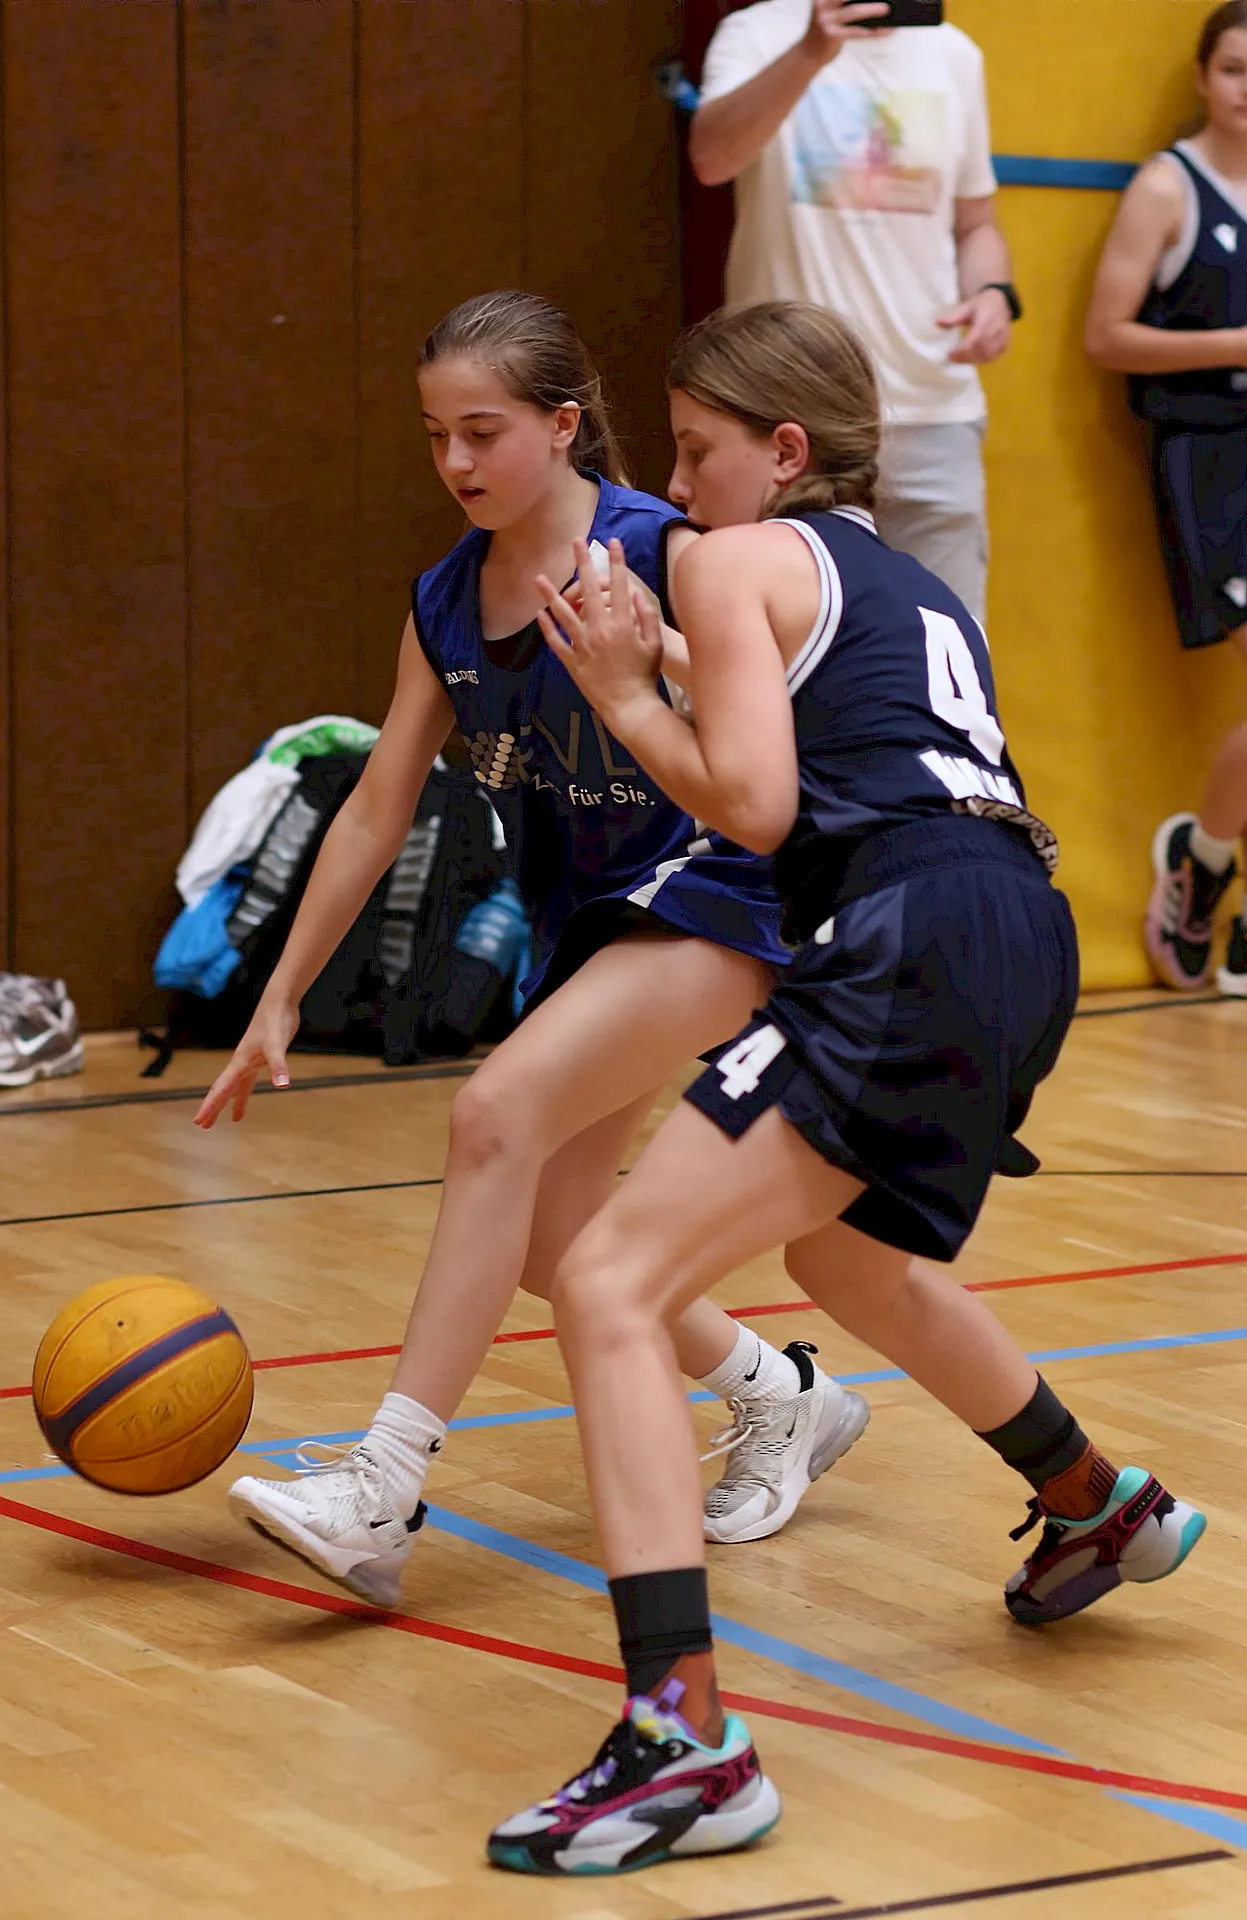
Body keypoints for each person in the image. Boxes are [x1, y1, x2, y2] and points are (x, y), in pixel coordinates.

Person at [486, 301, 1206, 1877]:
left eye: (698, 451)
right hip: (1019, 931)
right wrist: (659, 661)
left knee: (606, 1279)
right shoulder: (906, 583)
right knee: (845, 1256)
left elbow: (754, 803)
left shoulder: (735, 557)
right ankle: (1094, 1499)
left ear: (785, 451)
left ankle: (682, 1740)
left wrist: (626, 696)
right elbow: (822, 732)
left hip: (907, 929)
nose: (677, 488)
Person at [198, 291, 869, 1606]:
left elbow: (790, 709)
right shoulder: (445, 603)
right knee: (555, 1233)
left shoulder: (668, 549)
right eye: (434, 434)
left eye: (483, 431)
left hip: (728, 891)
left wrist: (664, 658)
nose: (454, 460)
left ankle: (383, 1489)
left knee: (492, 1116)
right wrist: (278, 994)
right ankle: (780, 1393)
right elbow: (379, 804)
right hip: (596, 925)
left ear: (564, 426)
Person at [689, 0, 1021, 623]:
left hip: (931, 401)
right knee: (778, 633)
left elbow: (976, 224)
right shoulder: (758, 32)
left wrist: (993, 293)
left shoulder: (953, 53)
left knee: (947, 640)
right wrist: (810, 53)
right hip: (786, 403)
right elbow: (711, 158)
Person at [1086, 0, 1247, 997]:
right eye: (1234, 68)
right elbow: (1105, 336)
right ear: (1204, 76)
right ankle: (1200, 863)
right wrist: (1240, 346)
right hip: (1211, 459)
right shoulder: (1168, 185)